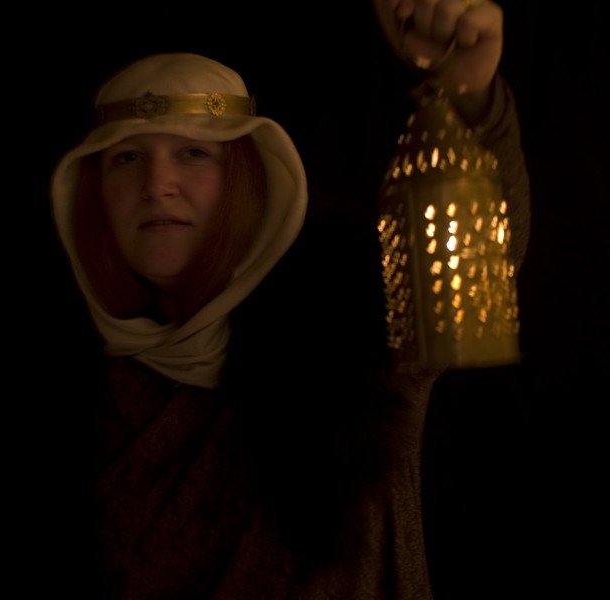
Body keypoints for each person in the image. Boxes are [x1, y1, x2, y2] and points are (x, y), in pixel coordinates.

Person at [47, 0, 531, 597]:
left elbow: (477, 258)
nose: (157, 184)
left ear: (246, 177)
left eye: (194, 153)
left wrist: (465, 94)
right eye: (127, 158)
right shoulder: (76, 385)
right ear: (94, 193)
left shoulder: (349, 330)